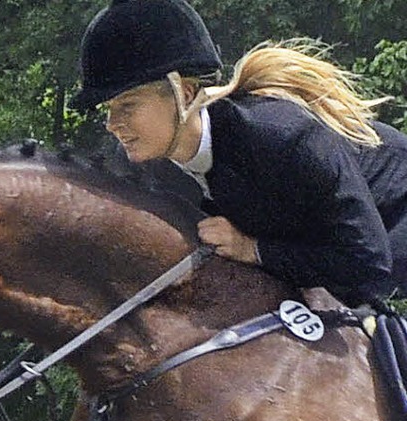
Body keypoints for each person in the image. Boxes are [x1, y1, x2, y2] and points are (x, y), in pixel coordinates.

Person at [74, 0, 407, 307]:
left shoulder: (282, 137)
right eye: (109, 109)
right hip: (322, 248)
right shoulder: (142, 165)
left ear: (186, 95)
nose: (112, 124)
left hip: (390, 226)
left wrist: (253, 249)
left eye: (128, 105)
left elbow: (369, 263)